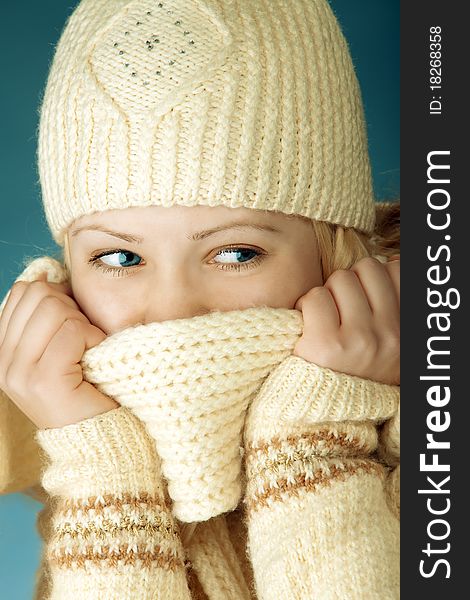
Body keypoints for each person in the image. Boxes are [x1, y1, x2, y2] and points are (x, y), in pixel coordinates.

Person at [0, 0, 400, 598]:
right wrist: (105, 475)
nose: (172, 311)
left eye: (237, 254)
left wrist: (313, 442)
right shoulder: (55, 435)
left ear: (336, 256)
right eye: (119, 258)